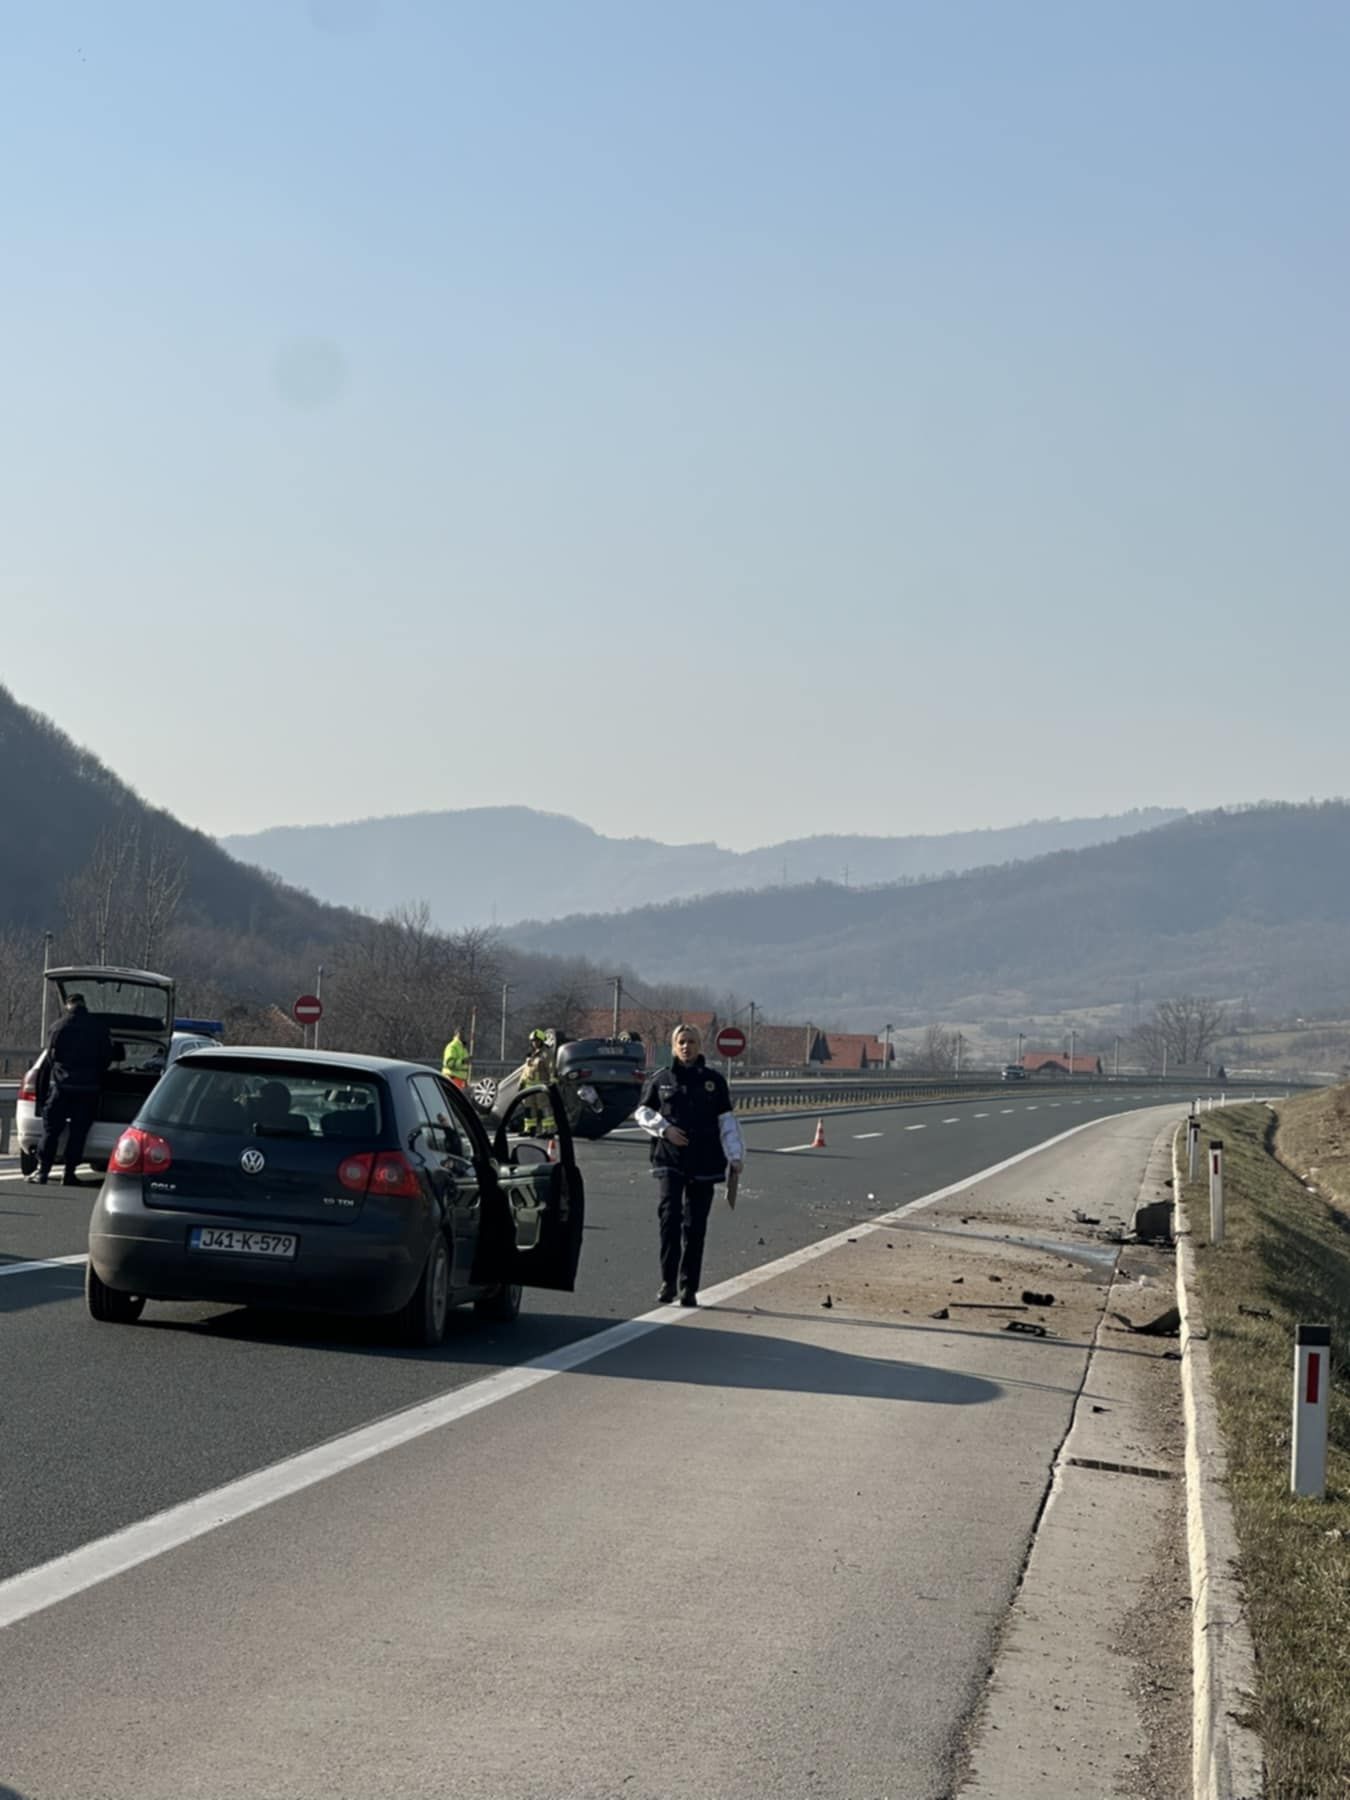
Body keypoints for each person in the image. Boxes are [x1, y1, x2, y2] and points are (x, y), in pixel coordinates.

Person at [635, 1023, 744, 1307]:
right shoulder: (661, 1079)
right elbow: (643, 1111)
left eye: (692, 1041)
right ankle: (668, 1282)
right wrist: (664, 1129)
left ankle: (688, 1287)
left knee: (694, 1227)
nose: (686, 1046)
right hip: (670, 1160)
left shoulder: (714, 1081)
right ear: (673, 1046)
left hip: (705, 1161)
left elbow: (727, 1122)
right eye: (681, 1042)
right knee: (669, 1218)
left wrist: (735, 1156)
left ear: (699, 1046)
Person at [30, 994, 116, 1187]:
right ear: (84, 1005)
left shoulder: (59, 1027)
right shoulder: (98, 1028)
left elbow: (51, 1056)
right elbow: (107, 1058)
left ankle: (43, 1171)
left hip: (62, 1087)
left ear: (67, 1005)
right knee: (78, 1133)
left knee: (51, 1130)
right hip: (88, 1088)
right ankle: (69, 1173)